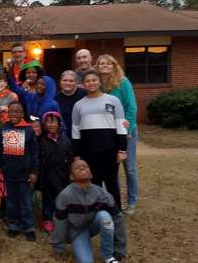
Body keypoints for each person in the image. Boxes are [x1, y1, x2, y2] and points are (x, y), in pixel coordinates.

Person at [50, 159, 126, 263]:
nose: (82, 168)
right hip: (76, 230)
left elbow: (118, 219)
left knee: (105, 217)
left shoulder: (101, 193)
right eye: (77, 168)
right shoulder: (65, 195)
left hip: (92, 225)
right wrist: (59, 248)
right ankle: (82, 241)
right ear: (71, 177)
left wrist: (120, 249)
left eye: (85, 166)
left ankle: (108, 256)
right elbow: (59, 222)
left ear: (91, 173)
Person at [71, 70, 128, 209]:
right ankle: (98, 210)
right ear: (83, 85)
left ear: (99, 82)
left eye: (94, 80)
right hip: (88, 151)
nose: (91, 83)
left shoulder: (113, 100)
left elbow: (121, 125)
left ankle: (115, 210)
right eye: (88, 81)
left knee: (111, 181)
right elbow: (75, 131)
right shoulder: (79, 105)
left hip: (110, 149)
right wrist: (77, 154)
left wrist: (122, 150)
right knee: (93, 181)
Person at [96, 54, 139, 215]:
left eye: (108, 63)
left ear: (114, 65)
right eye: (101, 63)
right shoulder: (98, 84)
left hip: (127, 132)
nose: (104, 66)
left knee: (130, 168)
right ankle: (113, 201)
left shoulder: (123, 82)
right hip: (109, 133)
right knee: (111, 169)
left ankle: (132, 201)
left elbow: (131, 108)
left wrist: (126, 132)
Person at [0, 102, 39, 241]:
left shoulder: (29, 130)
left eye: (17, 111)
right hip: (8, 174)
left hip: (25, 175)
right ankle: (14, 225)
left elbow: (35, 153)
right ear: (7, 113)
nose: (14, 114)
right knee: (11, 201)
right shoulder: (3, 129)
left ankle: (29, 227)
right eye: (11, 111)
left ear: (22, 114)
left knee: (26, 201)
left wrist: (34, 172)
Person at [37, 111, 73, 234]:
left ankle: (62, 218)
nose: (51, 125)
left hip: (63, 175)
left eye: (54, 122)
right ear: (44, 124)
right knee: (48, 198)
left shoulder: (65, 140)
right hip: (47, 175)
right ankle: (47, 219)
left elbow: (70, 157)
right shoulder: (41, 141)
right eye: (48, 122)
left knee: (62, 198)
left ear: (59, 123)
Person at [55, 70, 87, 139]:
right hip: (64, 137)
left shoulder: (85, 94)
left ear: (76, 83)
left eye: (71, 81)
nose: (68, 83)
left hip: (83, 135)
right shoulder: (56, 98)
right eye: (65, 80)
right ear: (60, 82)